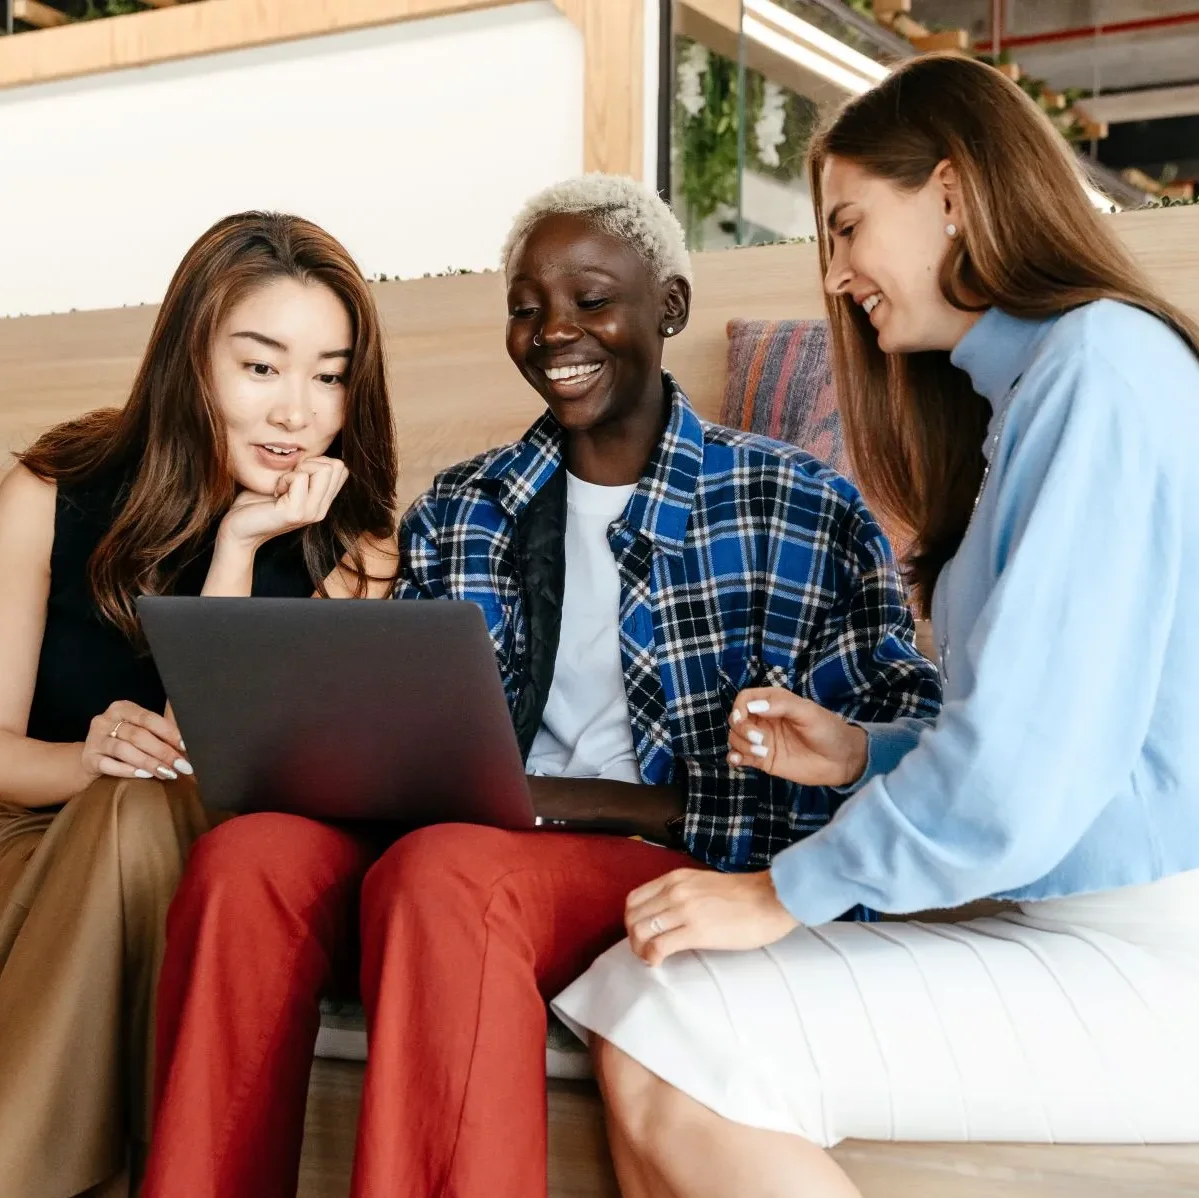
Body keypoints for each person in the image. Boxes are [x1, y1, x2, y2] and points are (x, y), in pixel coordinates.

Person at [144, 175, 939, 1198]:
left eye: (591, 300)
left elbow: (898, 731)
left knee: (447, 874)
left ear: (669, 306)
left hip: (649, 861)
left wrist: (566, 804)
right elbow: (408, 739)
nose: (555, 330)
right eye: (527, 307)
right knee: (243, 860)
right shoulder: (461, 507)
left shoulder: (794, 502)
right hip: (455, 843)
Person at [552, 53, 1199, 1198]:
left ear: (951, 192)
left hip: (1146, 953)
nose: (834, 271)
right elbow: (1055, 730)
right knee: (651, 1008)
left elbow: (1024, 769)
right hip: (1073, 922)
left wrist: (780, 892)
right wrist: (863, 752)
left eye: (847, 226)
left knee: (677, 1028)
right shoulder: (1028, 393)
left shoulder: (1098, 367)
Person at [0, 210, 398, 1198]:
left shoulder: (354, 555)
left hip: (204, 866)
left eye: (329, 376)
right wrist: (85, 760)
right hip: (29, 850)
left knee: (146, 816)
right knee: (127, 811)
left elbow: (211, 765)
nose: (295, 412)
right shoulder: (53, 488)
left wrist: (239, 548)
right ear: (191, 362)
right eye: (260, 367)